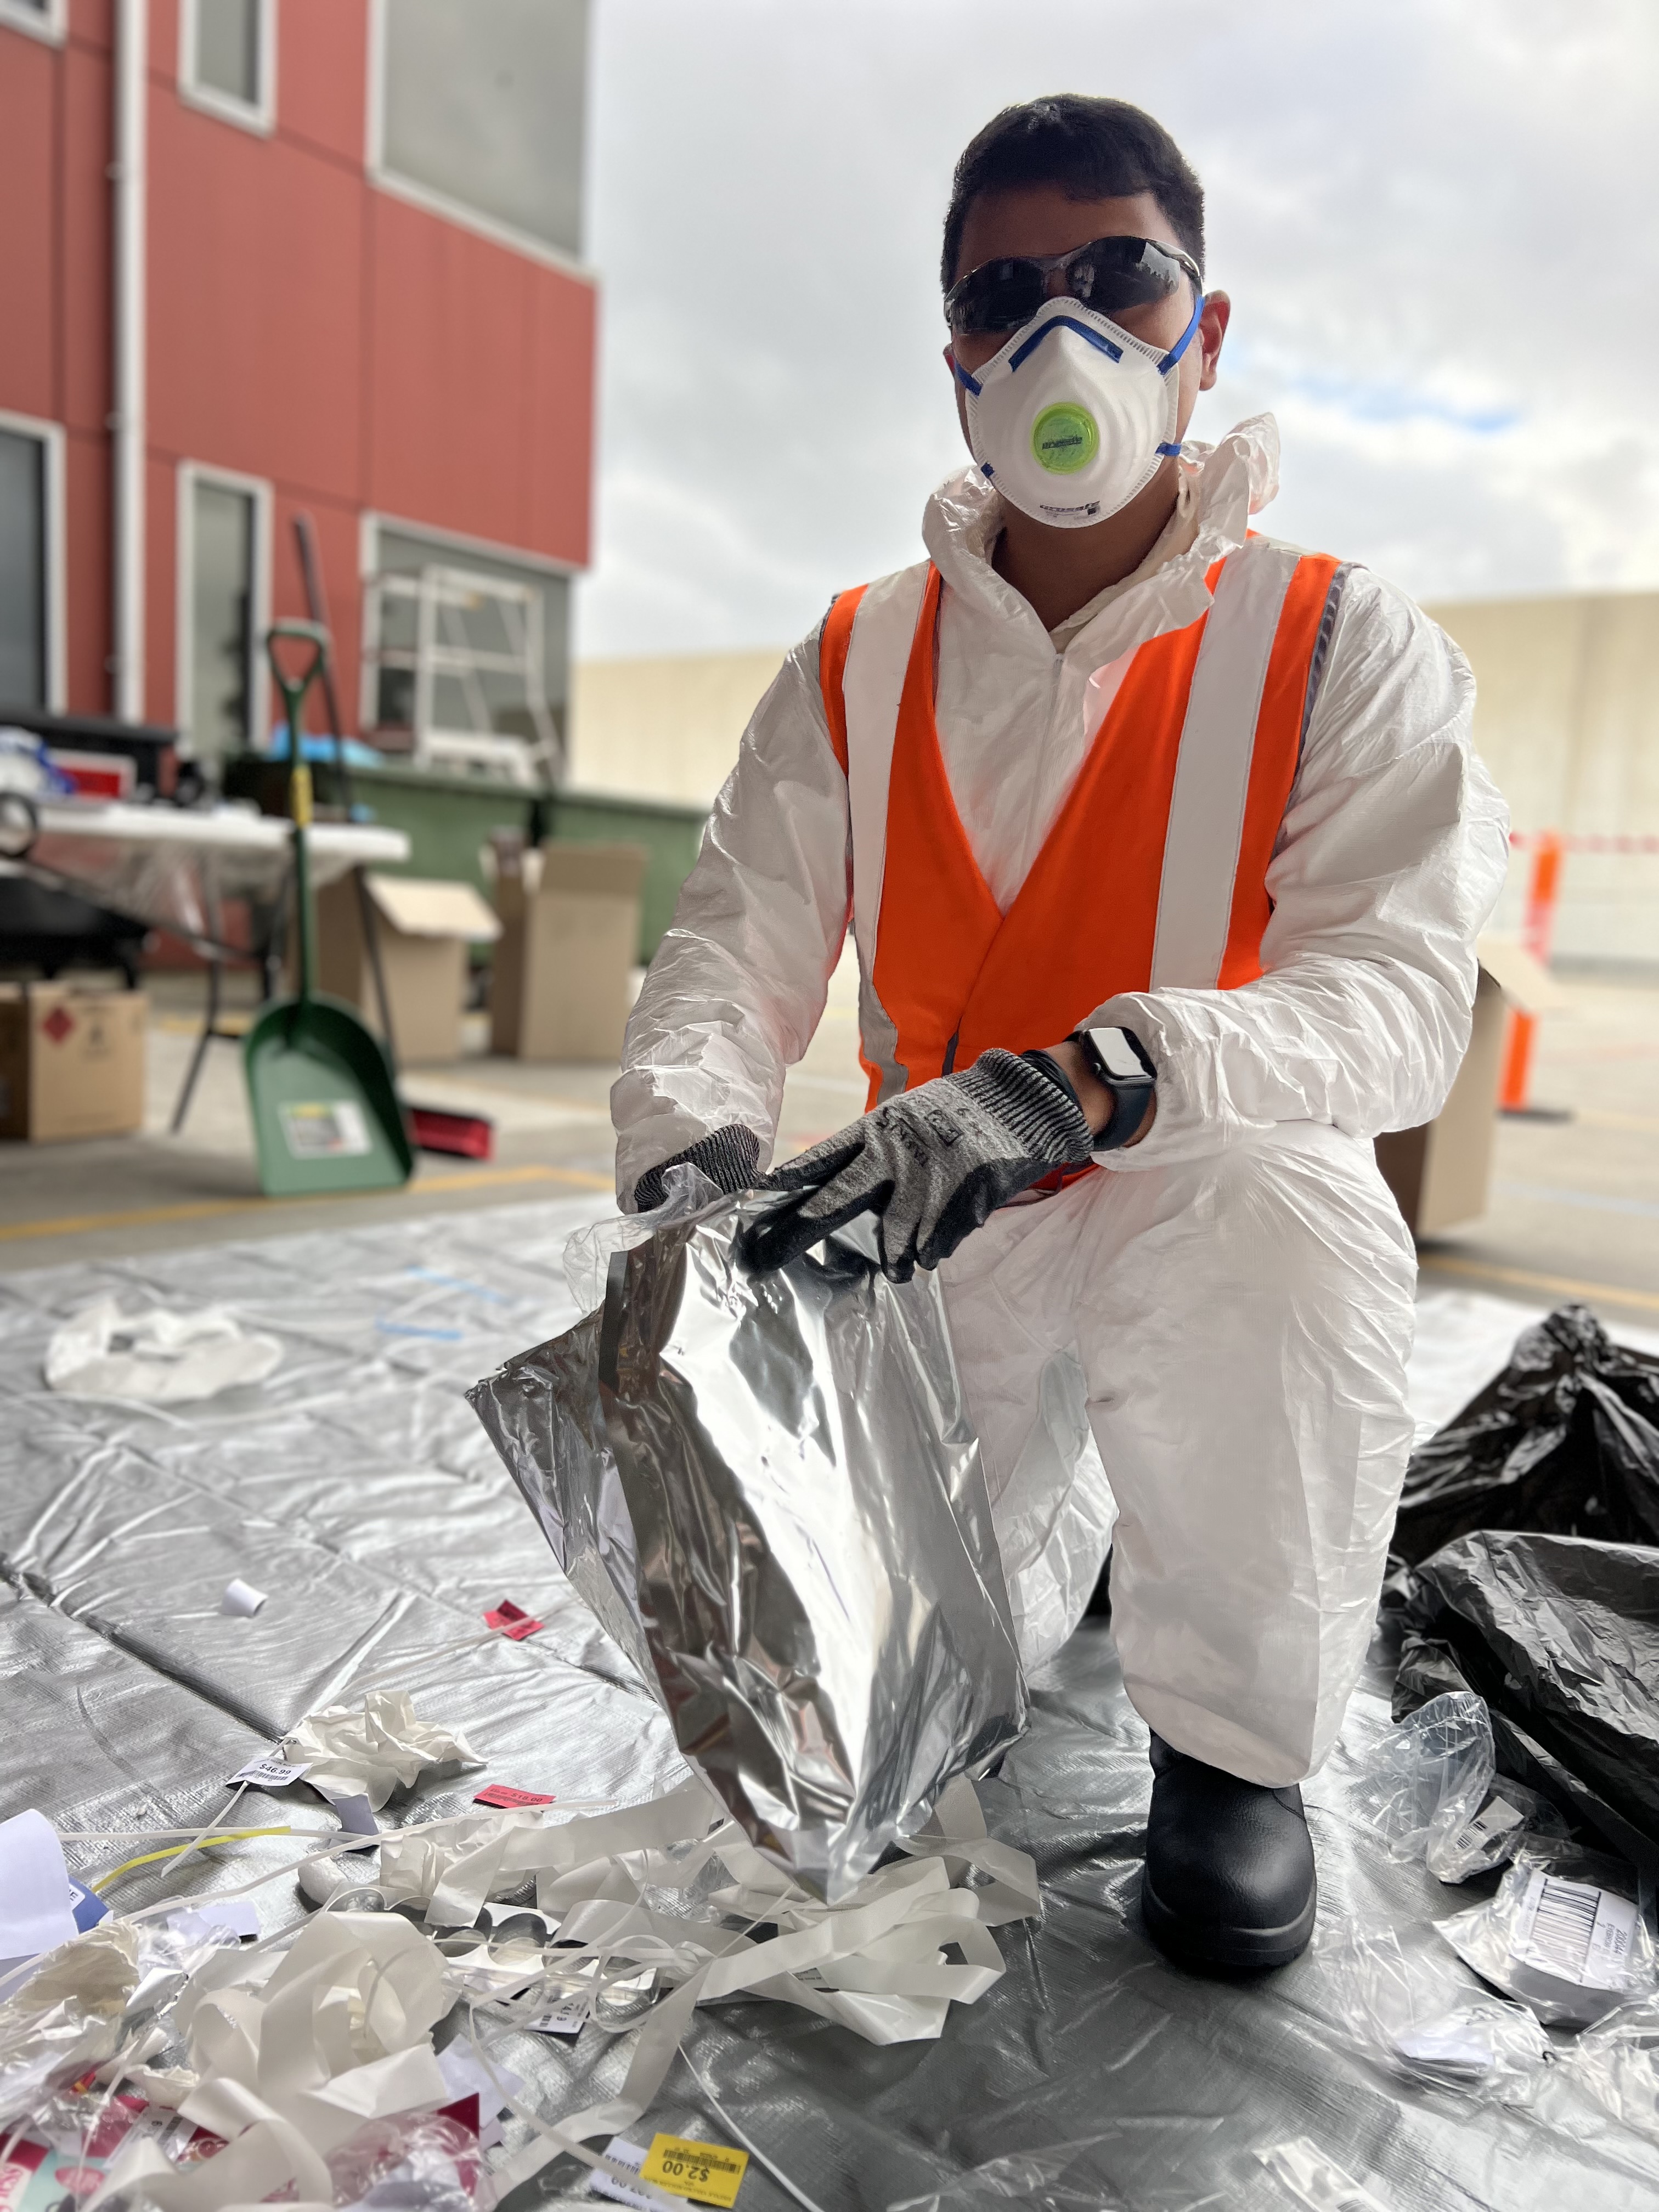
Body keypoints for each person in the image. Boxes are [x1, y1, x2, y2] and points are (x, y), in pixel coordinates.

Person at [612, 95, 1509, 1974]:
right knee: (854, 1748)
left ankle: (1229, 1751)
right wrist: (694, 1152)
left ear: (1207, 327)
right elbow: (732, 945)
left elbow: (1399, 1004)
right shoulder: (861, 658)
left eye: (1118, 277)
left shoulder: (1338, 643)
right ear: (953, 354)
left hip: (1197, 1199)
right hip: (936, 1221)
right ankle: (1068, 1536)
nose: (1060, 335)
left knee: (1284, 1229)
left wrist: (1096, 1080)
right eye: (1003, 293)